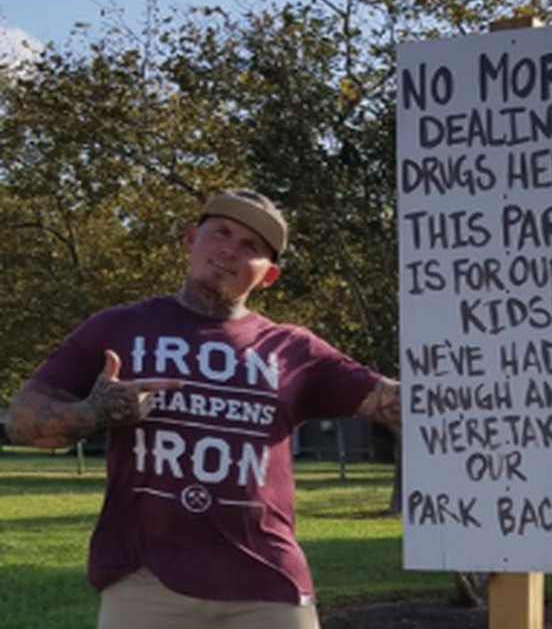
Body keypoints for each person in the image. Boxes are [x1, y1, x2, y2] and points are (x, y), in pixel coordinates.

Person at [7, 189, 400, 629]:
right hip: (145, 582)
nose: (230, 249)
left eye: (251, 246)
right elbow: (21, 421)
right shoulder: (118, 327)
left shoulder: (295, 349)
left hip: (267, 584)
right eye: (221, 233)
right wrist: (94, 413)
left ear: (268, 275)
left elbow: (397, 404)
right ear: (192, 238)